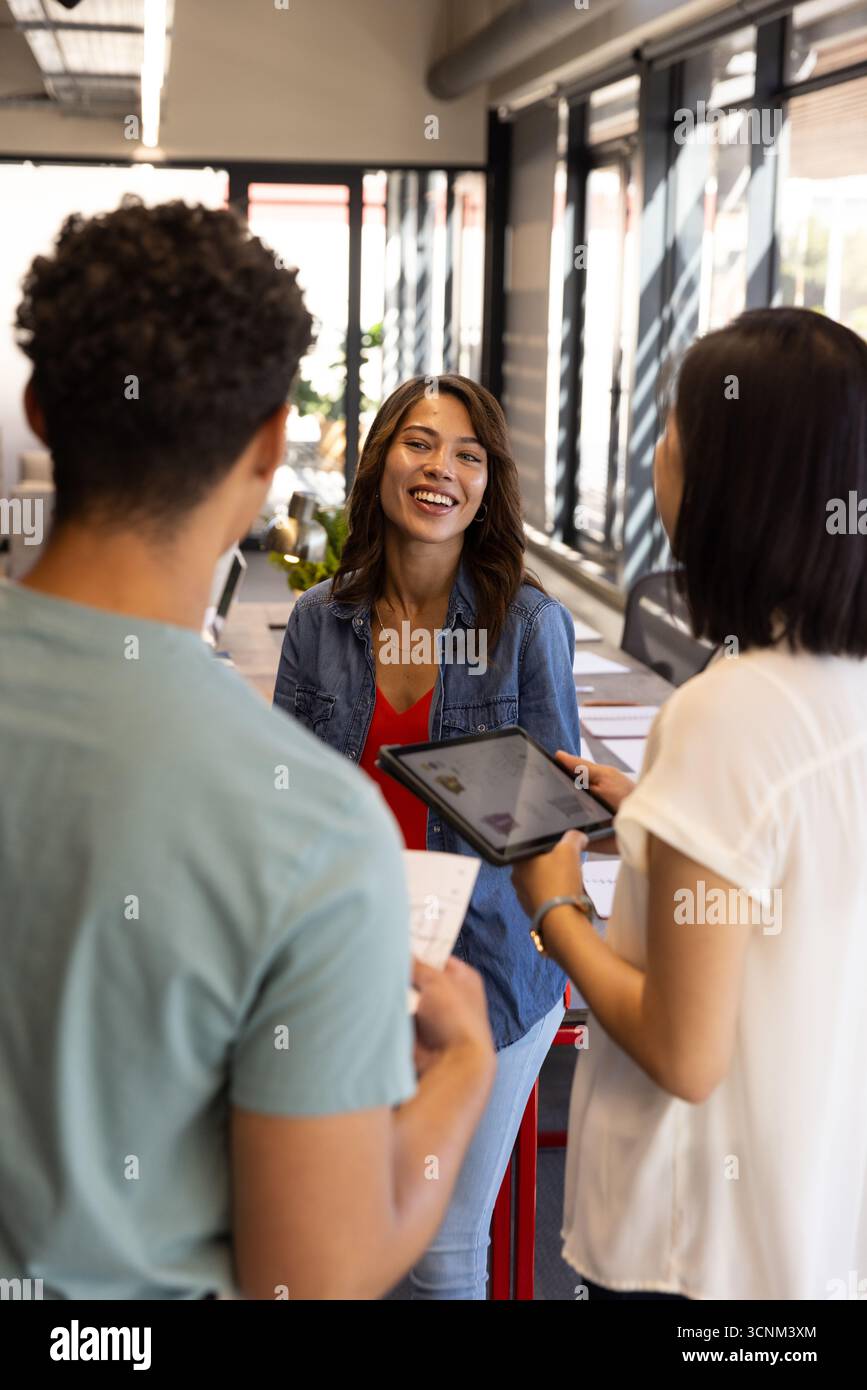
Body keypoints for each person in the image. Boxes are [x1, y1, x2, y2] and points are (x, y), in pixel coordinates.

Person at [0, 198, 496, 1301]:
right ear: (273, 446)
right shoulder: (308, 832)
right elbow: (315, 1277)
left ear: (38, 409)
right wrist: (462, 1067)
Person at [511, 307, 867, 1300]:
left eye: (671, 428)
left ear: (733, 480)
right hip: (808, 1234)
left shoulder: (730, 715)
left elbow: (683, 1049)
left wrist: (555, 905)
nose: (654, 453)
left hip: (693, 1253)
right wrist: (653, 818)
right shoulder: (840, 686)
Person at [274, 373, 583, 1299]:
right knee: (340, 1229)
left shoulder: (528, 626)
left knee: (440, 1254)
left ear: (489, 484)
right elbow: (284, 805)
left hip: (489, 966)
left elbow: (551, 826)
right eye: (418, 443)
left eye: (468, 454)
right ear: (378, 462)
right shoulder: (318, 620)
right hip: (354, 960)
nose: (440, 468)